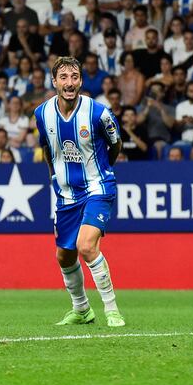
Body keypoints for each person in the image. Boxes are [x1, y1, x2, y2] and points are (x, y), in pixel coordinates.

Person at [34, 57, 125, 328]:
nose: (69, 83)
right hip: (66, 194)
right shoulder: (42, 113)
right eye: (63, 77)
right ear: (54, 82)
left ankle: (112, 310)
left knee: (86, 246)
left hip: (98, 187)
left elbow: (115, 144)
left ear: (81, 81)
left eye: (74, 77)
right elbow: (48, 148)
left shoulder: (98, 113)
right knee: (64, 255)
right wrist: (53, 176)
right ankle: (82, 309)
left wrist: (103, 171)